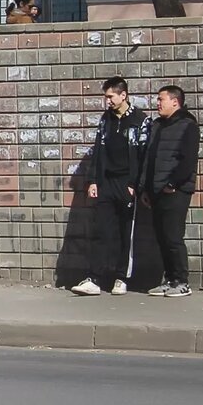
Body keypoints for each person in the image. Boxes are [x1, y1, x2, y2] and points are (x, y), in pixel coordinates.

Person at [72, 77, 149, 296]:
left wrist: (136, 184)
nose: (107, 101)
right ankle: (95, 278)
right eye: (106, 97)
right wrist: (93, 180)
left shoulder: (140, 120)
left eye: (110, 96)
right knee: (102, 230)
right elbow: (99, 150)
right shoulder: (106, 120)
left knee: (126, 232)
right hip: (106, 182)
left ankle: (120, 277)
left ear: (123, 95)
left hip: (127, 184)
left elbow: (144, 156)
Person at [140, 85, 201, 297]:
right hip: (156, 190)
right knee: (162, 237)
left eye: (161, 99)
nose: (157, 103)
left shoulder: (188, 125)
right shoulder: (158, 125)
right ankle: (170, 279)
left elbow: (188, 160)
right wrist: (144, 188)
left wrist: (173, 184)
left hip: (176, 191)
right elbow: (149, 158)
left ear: (175, 101)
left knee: (174, 237)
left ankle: (182, 282)